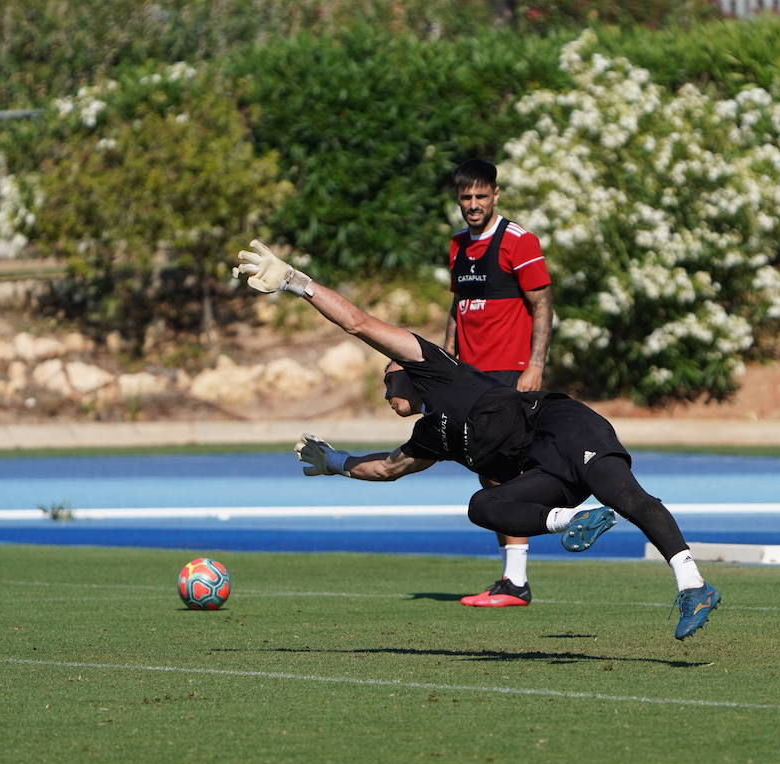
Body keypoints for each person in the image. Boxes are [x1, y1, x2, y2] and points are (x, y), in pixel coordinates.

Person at [233, 239, 720, 640]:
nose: (385, 391)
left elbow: (356, 323)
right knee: (483, 506)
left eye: (388, 379)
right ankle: (571, 520)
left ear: (408, 370)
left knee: (625, 495)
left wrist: (296, 282)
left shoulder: (437, 368)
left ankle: (692, 585)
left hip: (562, 425)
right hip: (544, 467)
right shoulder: (430, 435)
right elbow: (387, 468)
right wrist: (335, 462)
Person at [444, 159, 554, 609]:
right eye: (466, 197)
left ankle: (517, 580)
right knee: (488, 473)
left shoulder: (518, 240)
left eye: (481, 196)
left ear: (496, 195)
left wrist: (535, 366)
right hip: (471, 377)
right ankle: (511, 578)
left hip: (510, 373)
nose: (473, 204)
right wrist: (447, 362)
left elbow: (542, 304)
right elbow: (458, 307)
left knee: (504, 473)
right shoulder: (457, 245)